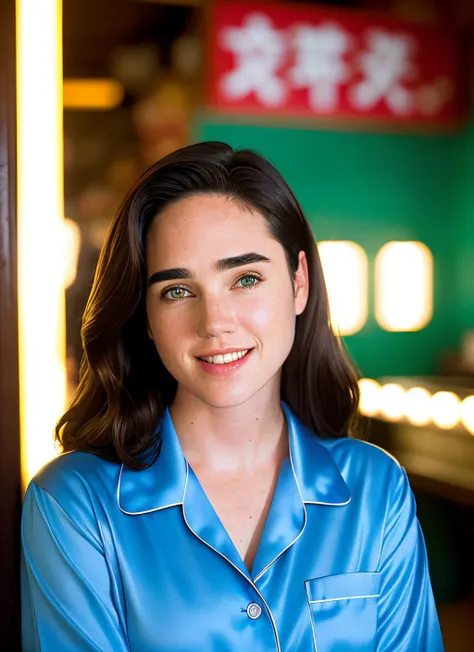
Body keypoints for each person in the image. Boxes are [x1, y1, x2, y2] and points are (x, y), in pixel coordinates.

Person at [21, 142, 443, 651]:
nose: (215, 323)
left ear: (299, 283)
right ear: (147, 319)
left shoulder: (376, 488)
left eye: (245, 279)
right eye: (177, 290)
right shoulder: (74, 503)